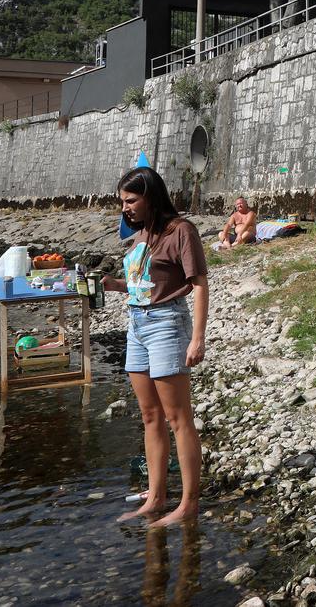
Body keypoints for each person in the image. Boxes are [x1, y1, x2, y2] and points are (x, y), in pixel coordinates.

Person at [102, 166, 209, 527]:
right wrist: (113, 284)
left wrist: (197, 337)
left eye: (131, 200)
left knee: (178, 419)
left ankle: (188, 503)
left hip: (167, 325)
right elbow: (144, 284)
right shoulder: (142, 234)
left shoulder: (181, 231)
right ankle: (157, 495)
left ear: (151, 196)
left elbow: (198, 284)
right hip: (136, 325)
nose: (125, 208)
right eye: (122, 201)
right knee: (150, 417)